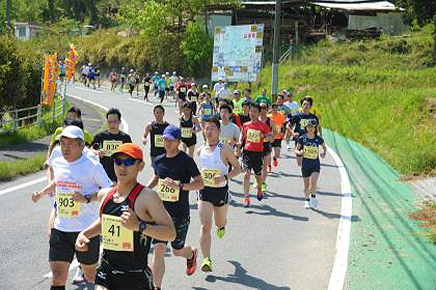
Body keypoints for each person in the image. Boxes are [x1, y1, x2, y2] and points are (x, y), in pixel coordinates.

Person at [75, 143, 176, 290]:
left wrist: (139, 226)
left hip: (134, 275)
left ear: (140, 166)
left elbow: (171, 233)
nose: (122, 167)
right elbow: (106, 222)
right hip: (107, 270)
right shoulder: (105, 194)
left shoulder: (148, 197)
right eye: (118, 162)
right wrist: (84, 234)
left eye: (128, 162)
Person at [32, 125, 113, 289]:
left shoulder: (92, 165)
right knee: (57, 277)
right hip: (61, 229)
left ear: (81, 146)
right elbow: (59, 180)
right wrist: (42, 193)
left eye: (70, 144)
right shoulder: (57, 161)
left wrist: (87, 198)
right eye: (62, 143)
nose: (65, 148)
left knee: (90, 275)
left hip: (86, 230)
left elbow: (109, 190)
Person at [146, 125, 204, 290]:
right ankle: (156, 286)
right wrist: (144, 190)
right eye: (165, 139)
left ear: (179, 141)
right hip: (160, 213)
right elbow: (157, 177)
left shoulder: (186, 161)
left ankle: (191, 254)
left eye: (171, 140)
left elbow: (200, 183)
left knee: (177, 250)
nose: (167, 143)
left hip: (179, 213)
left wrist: (180, 186)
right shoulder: (159, 159)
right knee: (159, 249)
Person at [197, 116, 241, 272]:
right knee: (205, 226)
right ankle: (206, 259)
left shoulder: (224, 149)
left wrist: (224, 177)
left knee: (219, 223)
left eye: (212, 129)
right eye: (206, 128)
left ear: (218, 131)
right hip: (204, 191)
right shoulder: (200, 150)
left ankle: (222, 225)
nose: (208, 131)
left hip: (220, 191)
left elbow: (238, 168)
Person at [238, 104, 272, 207]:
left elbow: (271, 137)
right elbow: (242, 135)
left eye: (255, 112)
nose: (252, 114)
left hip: (258, 154)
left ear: (258, 113)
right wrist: (240, 142)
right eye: (251, 111)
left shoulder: (263, 126)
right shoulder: (246, 125)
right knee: (246, 174)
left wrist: (264, 136)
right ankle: (246, 198)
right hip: (247, 152)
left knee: (258, 176)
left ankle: (260, 189)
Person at [92, 108, 132, 182]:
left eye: (115, 121)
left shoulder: (125, 138)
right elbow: (91, 150)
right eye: (109, 122)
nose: (112, 124)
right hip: (103, 173)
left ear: (120, 122)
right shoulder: (100, 136)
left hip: (120, 174)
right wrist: (97, 152)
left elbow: (131, 154)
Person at [295, 119, 327, 209]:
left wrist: (323, 153)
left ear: (315, 128)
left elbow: (324, 148)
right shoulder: (302, 138)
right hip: (305, 164)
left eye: (312, 127)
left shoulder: (318, 139)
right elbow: (296, 149)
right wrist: (299, 152)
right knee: (306, 186)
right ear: (306, 127)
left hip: (315, 164)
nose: (310, 128)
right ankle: (306, 200)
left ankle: (313, 198)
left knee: (313, 182)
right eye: (308, 127)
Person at [287, 97, 320, 166]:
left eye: (307, 104)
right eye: (304, 104)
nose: (305, 106)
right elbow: (288, 126)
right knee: (300, 163)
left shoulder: (313, 117)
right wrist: (293, 133)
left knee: (308, 162)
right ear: (301, 105)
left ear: (310, 106)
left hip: (310, 142)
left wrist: (318, 138)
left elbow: (317, 128)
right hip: (299, 141)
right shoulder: (297, 116)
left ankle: (309, 173)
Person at [258, 103, 273, 193]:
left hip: (266, 145)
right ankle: (258, 180)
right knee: (257, 166)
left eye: (264, 108)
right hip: (256, 146)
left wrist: (271, 137)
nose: (262, 110)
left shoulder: (270, 121)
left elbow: (275, 132)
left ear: (267, 109)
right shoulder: (255, 120)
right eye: (260, 108)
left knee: (264, 166)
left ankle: (262, 183)